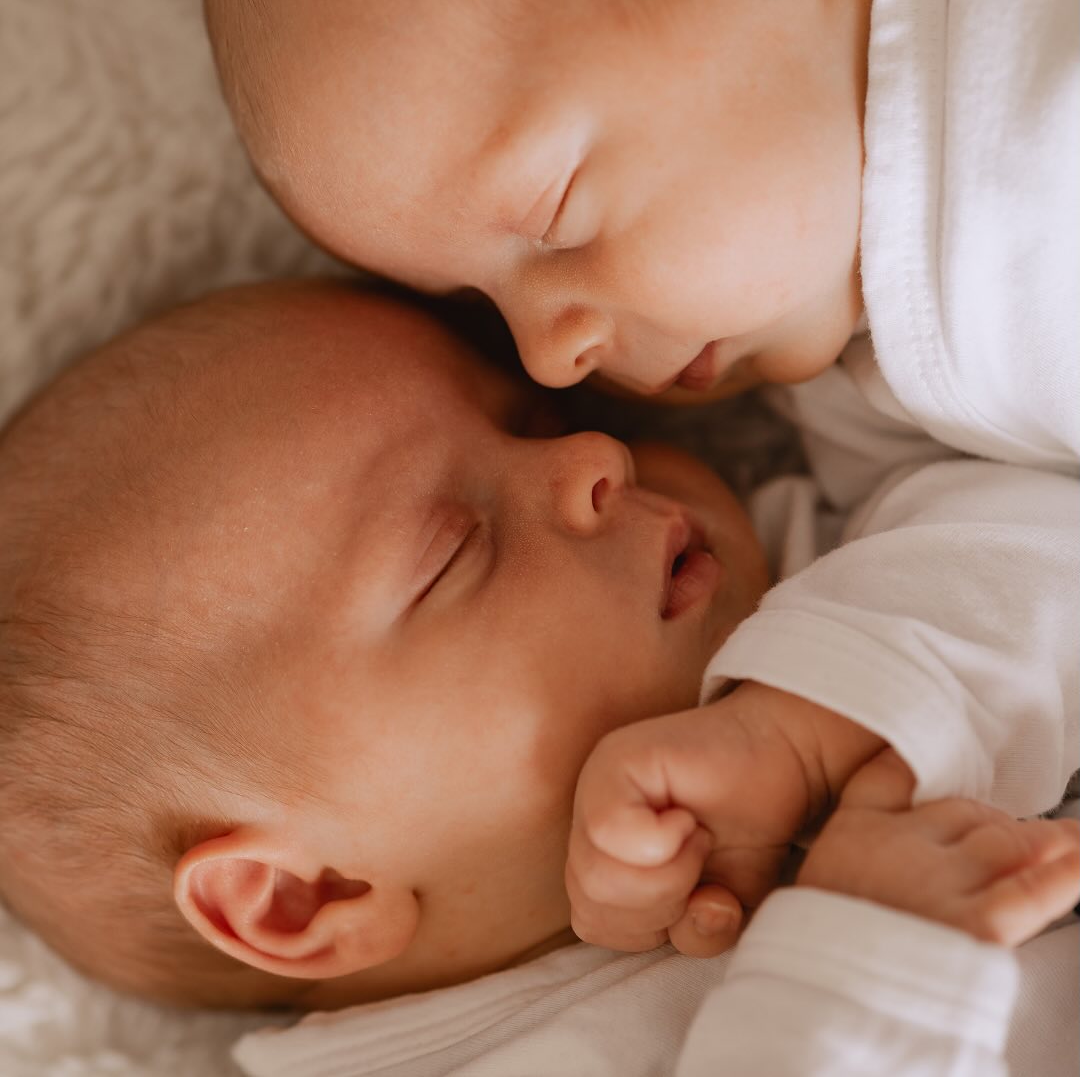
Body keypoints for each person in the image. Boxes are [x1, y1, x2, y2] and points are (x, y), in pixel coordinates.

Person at [199, 0, 1080, 950]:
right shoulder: (865, 388)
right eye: (486, 304)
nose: (552, 359)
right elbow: (1019, 560)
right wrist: (801, 729)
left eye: (554, 216)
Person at [0, 279, 1076, 1077]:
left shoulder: (823, 576)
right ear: (308, 894)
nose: (592, 457)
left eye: (533, 421)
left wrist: (835, 699)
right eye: (454, 552)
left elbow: (1035, 514)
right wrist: (865, 978)